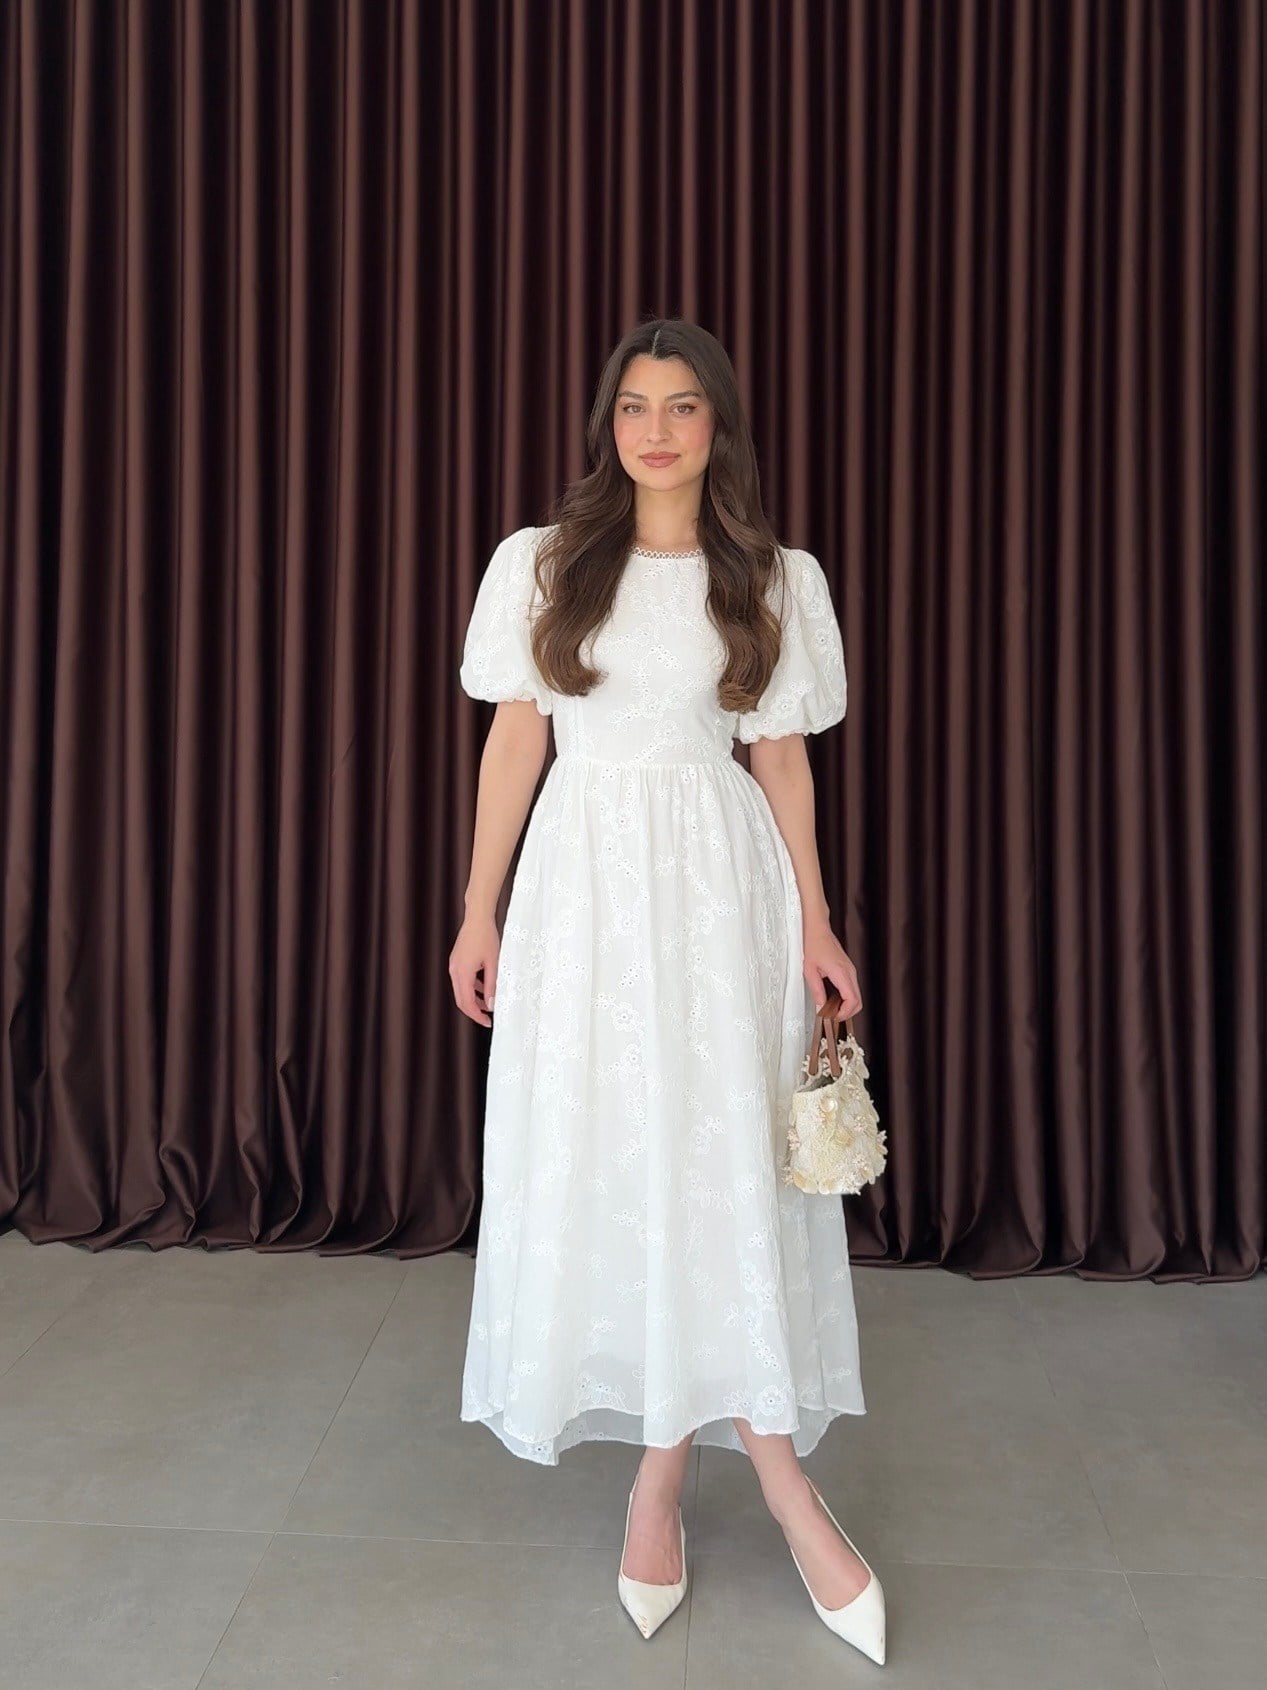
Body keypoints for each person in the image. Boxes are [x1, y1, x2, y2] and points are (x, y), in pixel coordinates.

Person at [448, 318, 885, 1664]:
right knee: (623, 1164)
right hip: (583, 896)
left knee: (720, 1167)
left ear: (716, 426)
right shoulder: (543, 564)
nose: (656, 430)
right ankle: (667, 1476)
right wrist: (479, 908)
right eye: (635, 405)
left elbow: (781, 759)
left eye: (682, 406)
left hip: (717, 898)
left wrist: (815, 919)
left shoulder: (773, 577)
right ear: (608, 423)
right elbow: (517, 740)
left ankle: (752, 1484)